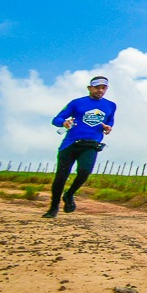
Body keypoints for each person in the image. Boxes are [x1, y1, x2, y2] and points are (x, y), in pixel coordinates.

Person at [45, 76, 116, 218]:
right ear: (90, 88)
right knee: (61, 177)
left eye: (103, 88)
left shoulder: (111, 105)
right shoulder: (76, 103)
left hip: (91, 144)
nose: (100, 90)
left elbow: (110, 121)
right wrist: (64, 123)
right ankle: (53, 208)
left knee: (85, 171)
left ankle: (69, 194)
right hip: (70, 144)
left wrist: (108, 128)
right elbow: (56, 119)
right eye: (97, 87)